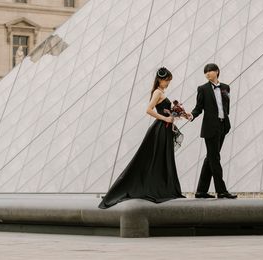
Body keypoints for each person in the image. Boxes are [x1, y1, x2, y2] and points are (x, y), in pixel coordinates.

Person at [98, 67, 185, 209]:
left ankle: (163, 187)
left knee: (162, 158)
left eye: (169, 80)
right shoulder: (157, 92)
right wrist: (165, 118)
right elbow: (148, 110)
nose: (168, 83)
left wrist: (178, 114)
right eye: (167, 80)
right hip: (160, 129)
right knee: (156, 158)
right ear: (160, 80)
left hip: (164, 129)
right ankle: (158, 187)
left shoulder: (161, 92)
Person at [189, 63, 237, 199]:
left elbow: (226, 106)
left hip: (223, 126)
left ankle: (201, 191)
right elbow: (198, 107)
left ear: (217, 71)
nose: (207, 74)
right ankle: (221, 191)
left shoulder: (226, 87)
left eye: (209, 71)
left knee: (210, 158)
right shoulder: (202, 89)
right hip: (210, 128)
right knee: (215, 158)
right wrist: (191, 115)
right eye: (205, 72)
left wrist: (224, 119)